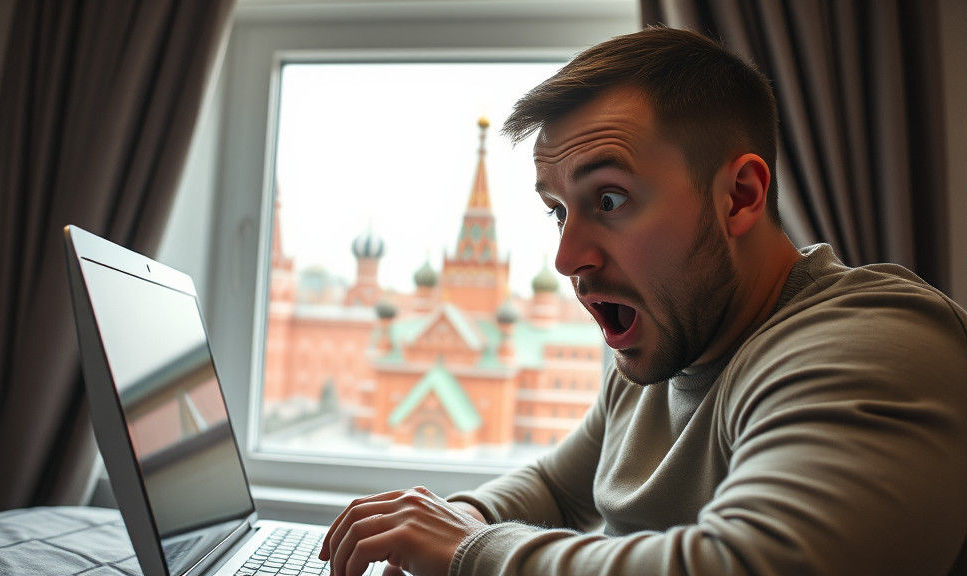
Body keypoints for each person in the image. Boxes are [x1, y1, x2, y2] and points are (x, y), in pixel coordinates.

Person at [318, 27, 967, 576]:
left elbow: (747, 563)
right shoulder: (664, 344)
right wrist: (467, 514)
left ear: (739, 196)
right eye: (557, 211)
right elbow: (556, 486)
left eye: (609, 200)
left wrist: (468, 549)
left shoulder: (877, 345)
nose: (568, 257)